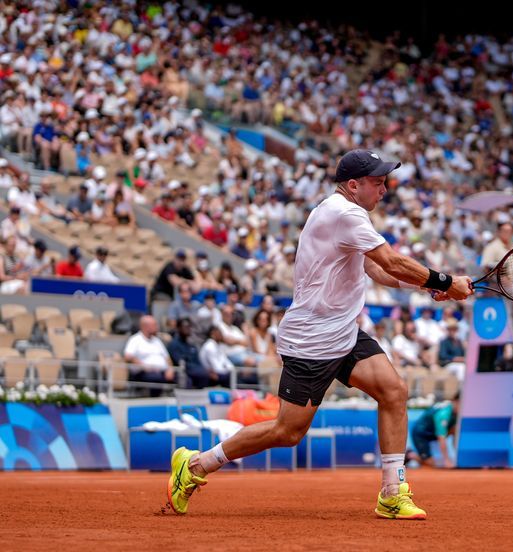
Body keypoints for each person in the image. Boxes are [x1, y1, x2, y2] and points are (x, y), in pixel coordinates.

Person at [167, 149, 473, 519]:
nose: (385, 189)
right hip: (311, 339)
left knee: (394, 391)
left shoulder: (342, 213)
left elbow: (377, 270)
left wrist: (425, 287)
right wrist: (446, 281)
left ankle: (393, 491)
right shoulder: (344, 213)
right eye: (378, 182)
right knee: (287, 432)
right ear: (353, 185)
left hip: (343, 330)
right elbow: (391, 260)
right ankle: (196, 465)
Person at [123, 315, 176, 396]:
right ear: (145, 326)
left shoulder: (157, 341)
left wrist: (170, 369)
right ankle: (156, 402)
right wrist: (143, 366)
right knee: (155, 378)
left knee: (182, 377)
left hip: (162, 372)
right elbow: (128, 357)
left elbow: (167, 358)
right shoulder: (135, 340)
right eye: (154, 325)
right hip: (143, 373)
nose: (157, 327)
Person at [406, 393, 460, 468]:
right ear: (455, 401)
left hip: (432, 432)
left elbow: (455, 435)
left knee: (455, 430)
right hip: (420, 433)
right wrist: (447, 460)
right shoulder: (444, 414)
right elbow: (441, 438)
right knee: (431, 463)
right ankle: (410, 455)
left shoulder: (456, 413)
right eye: (460, 403)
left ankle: (456, 458)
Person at [167, 318, 211, 389]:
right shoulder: (174, 344)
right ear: (179, 328)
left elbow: (198, 361)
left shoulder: (191, 345)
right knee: (187, 380)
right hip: (181, 372)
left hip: (195, 371)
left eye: (189, 327)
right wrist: (198, 370)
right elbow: (180, 363)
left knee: (205, 374)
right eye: (185, 327)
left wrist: (202, 369)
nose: (188, 329)